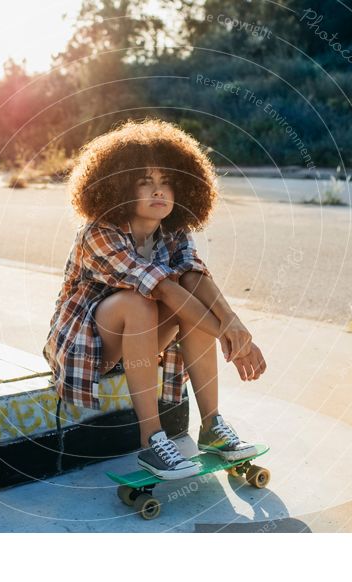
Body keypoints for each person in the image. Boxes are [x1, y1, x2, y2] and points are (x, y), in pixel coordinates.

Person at [43, 118, 267, 480]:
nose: (158, 192)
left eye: (166, 183)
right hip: (88, 349)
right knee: (141, 301)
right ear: (118, 187)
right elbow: (160, 286)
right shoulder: (99, 232)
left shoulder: (173, 231)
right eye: (145, 183)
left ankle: (212, 425)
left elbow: (195, 276)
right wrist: (232, 344)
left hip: (145, 345)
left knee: (188, 300)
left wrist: (235, 326)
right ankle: (152, 442)